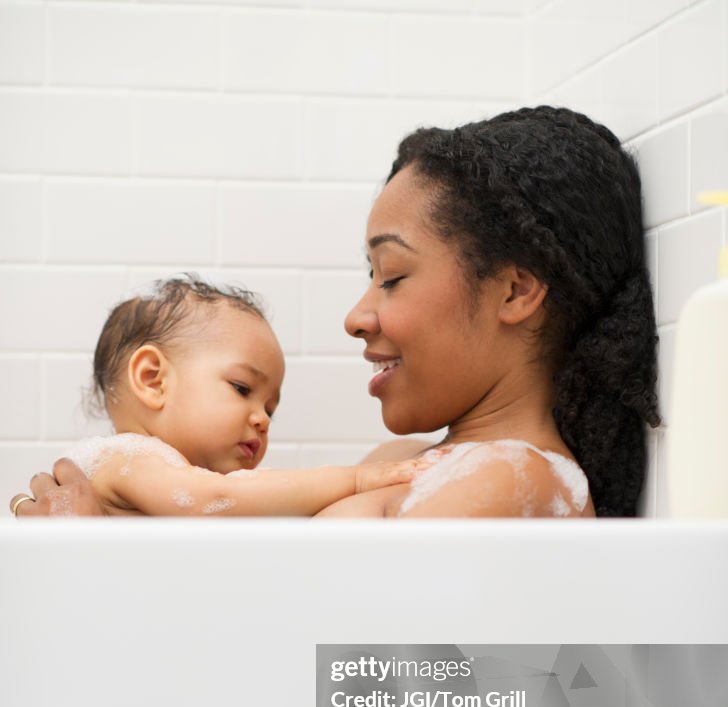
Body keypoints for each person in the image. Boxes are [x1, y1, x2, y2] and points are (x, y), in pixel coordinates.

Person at [10, 106, 660, 520]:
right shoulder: (412, 459)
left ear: (515, 292)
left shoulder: (509, 479)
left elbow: (350, 683)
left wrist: (94, 563)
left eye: (393, 276)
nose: (356, 315)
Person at [10, 276, 424, 517]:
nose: (261, 419)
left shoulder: (163, 470)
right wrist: (354, 479)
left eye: (270, 409)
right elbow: (217, 498)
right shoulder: (129, 458)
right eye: (242, 389)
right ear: (153, 380)